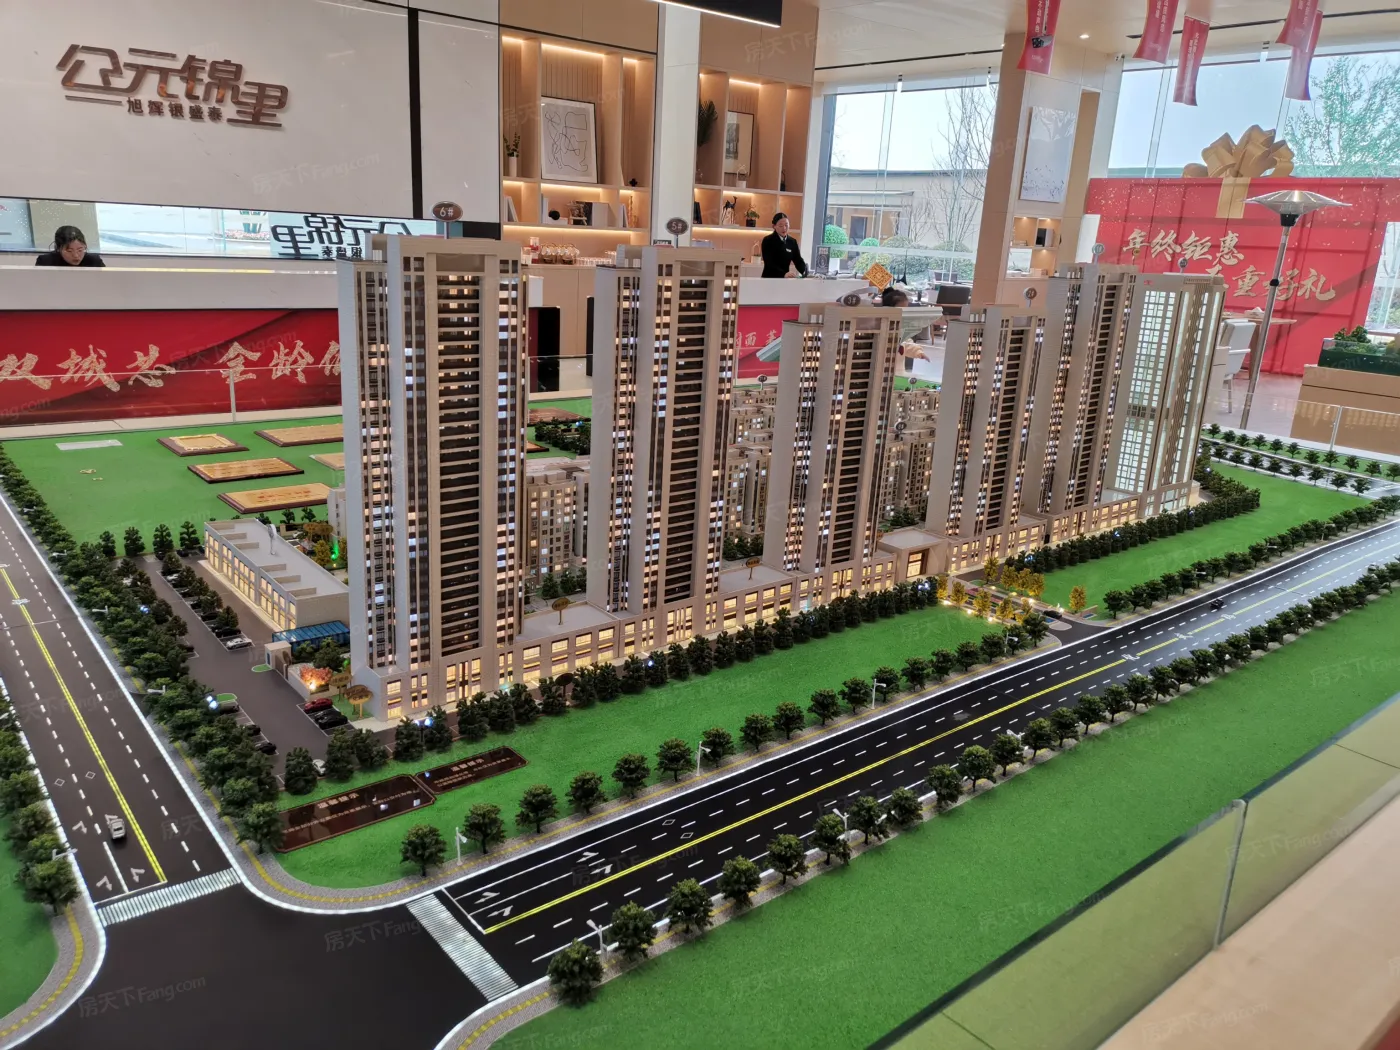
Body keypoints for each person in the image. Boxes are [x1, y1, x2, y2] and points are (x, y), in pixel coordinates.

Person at [760, 213, 806, 279]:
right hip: (769, 278)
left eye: (786, 225)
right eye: (780, 226)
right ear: (774, 226)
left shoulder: (792, 242)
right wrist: (783, 274)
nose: (784, 228)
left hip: (785, 280)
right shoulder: (767, 240)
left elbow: (798, 260)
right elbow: (769, 263)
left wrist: (804, 272)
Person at [34, 226, 105, 267]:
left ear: (85, 246)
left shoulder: (94, 261)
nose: (76, 255)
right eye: (69, 251)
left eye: (80, 250)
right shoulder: (46, 262)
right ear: (58, 248)